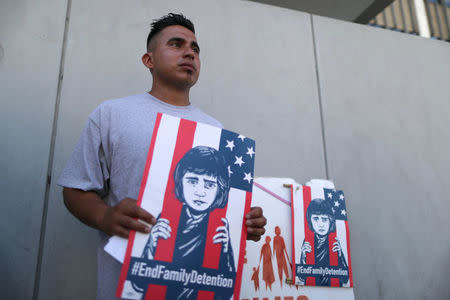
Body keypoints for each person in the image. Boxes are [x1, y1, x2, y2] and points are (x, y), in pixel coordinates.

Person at [58, 13, 266, 300]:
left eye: (195, 48)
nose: (189, 53)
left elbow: (222, 211)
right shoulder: (112, 115)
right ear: (149, 60)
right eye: (177, 44)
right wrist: (105, 216)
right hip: (126, 289)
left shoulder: (217, 133)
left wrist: (246, 223)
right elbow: (75, 189)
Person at [137, 146, 234, 299]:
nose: (200, 192)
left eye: (209, 184)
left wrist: (225, 251)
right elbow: (139, 284)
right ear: (181, 182)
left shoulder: (219, 227)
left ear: (219, 189)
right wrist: (152, 244)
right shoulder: (167, 219)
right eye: (192, 181)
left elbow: (226, 292)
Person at [298, 198, 349, 286]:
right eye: (316, 219)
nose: (320, 224)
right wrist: (303, 258)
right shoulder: (308, 241)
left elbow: (345, 279)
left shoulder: (334, 242)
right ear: (310, 220)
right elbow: (301, 278)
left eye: (324, 219)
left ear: (330, 220)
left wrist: (340, 257)